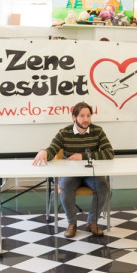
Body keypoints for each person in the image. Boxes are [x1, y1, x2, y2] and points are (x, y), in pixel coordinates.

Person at [32, 101, 114, 238]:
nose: (86, 119)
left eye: (88, 116)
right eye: (82, 116)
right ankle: (72, 224)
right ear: (74, 117)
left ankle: (92, 222)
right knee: (65, 187)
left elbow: (109, 153)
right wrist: (44, 151)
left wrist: (82, 156)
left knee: (103, 187)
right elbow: (52, 150)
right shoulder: (64, 133)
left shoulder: (98, 131)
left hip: (91, 173)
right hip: (71, 174)